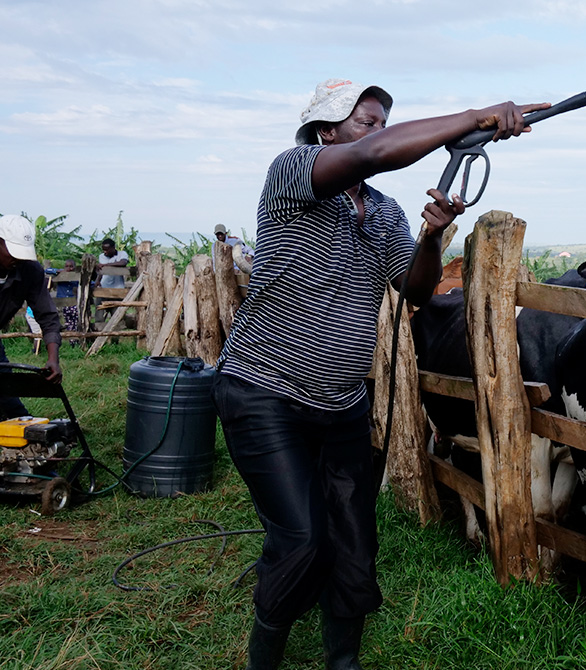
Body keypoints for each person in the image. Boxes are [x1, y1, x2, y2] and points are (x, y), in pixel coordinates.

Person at [212, 78, 547, 670]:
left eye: (383, 122)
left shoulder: (385, 211)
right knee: (301, 540)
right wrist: (481, 115)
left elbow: (413, 286)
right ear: (327, 132)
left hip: (342, 399)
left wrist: (433, 233)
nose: (379, 132)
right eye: (368, 121)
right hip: (263, 391)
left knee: (352, 541)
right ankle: (264, 657)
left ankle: (343, 662)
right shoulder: (292, 172)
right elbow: (372, 155)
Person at [0, 215, 64, 419]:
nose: (16, 259)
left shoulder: (29, 270)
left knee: (10, 402)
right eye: (11, 252)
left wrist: (53, 358)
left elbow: (47, 316)